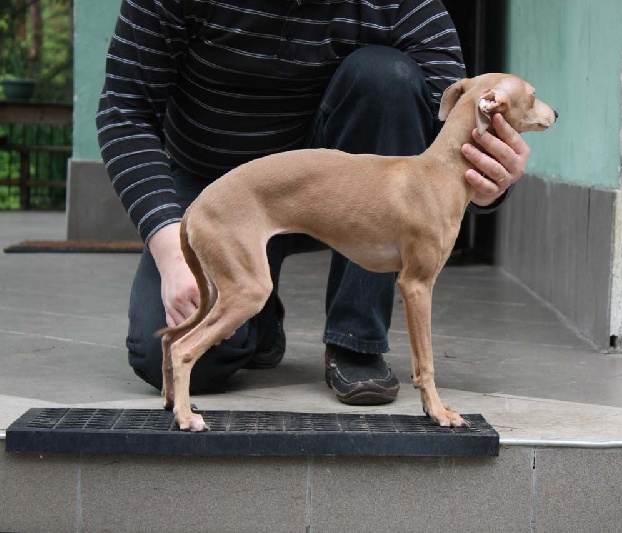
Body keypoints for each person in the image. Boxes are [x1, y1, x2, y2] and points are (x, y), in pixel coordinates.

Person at [96, 0, 531, 405]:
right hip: (216, 190)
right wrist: (172, 250)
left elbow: (458, 122)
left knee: (388, 78)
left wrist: (489, 178)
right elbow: (124, 112)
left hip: (345, 197)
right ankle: (258, 316)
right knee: (168, 357)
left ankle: (355, 340)